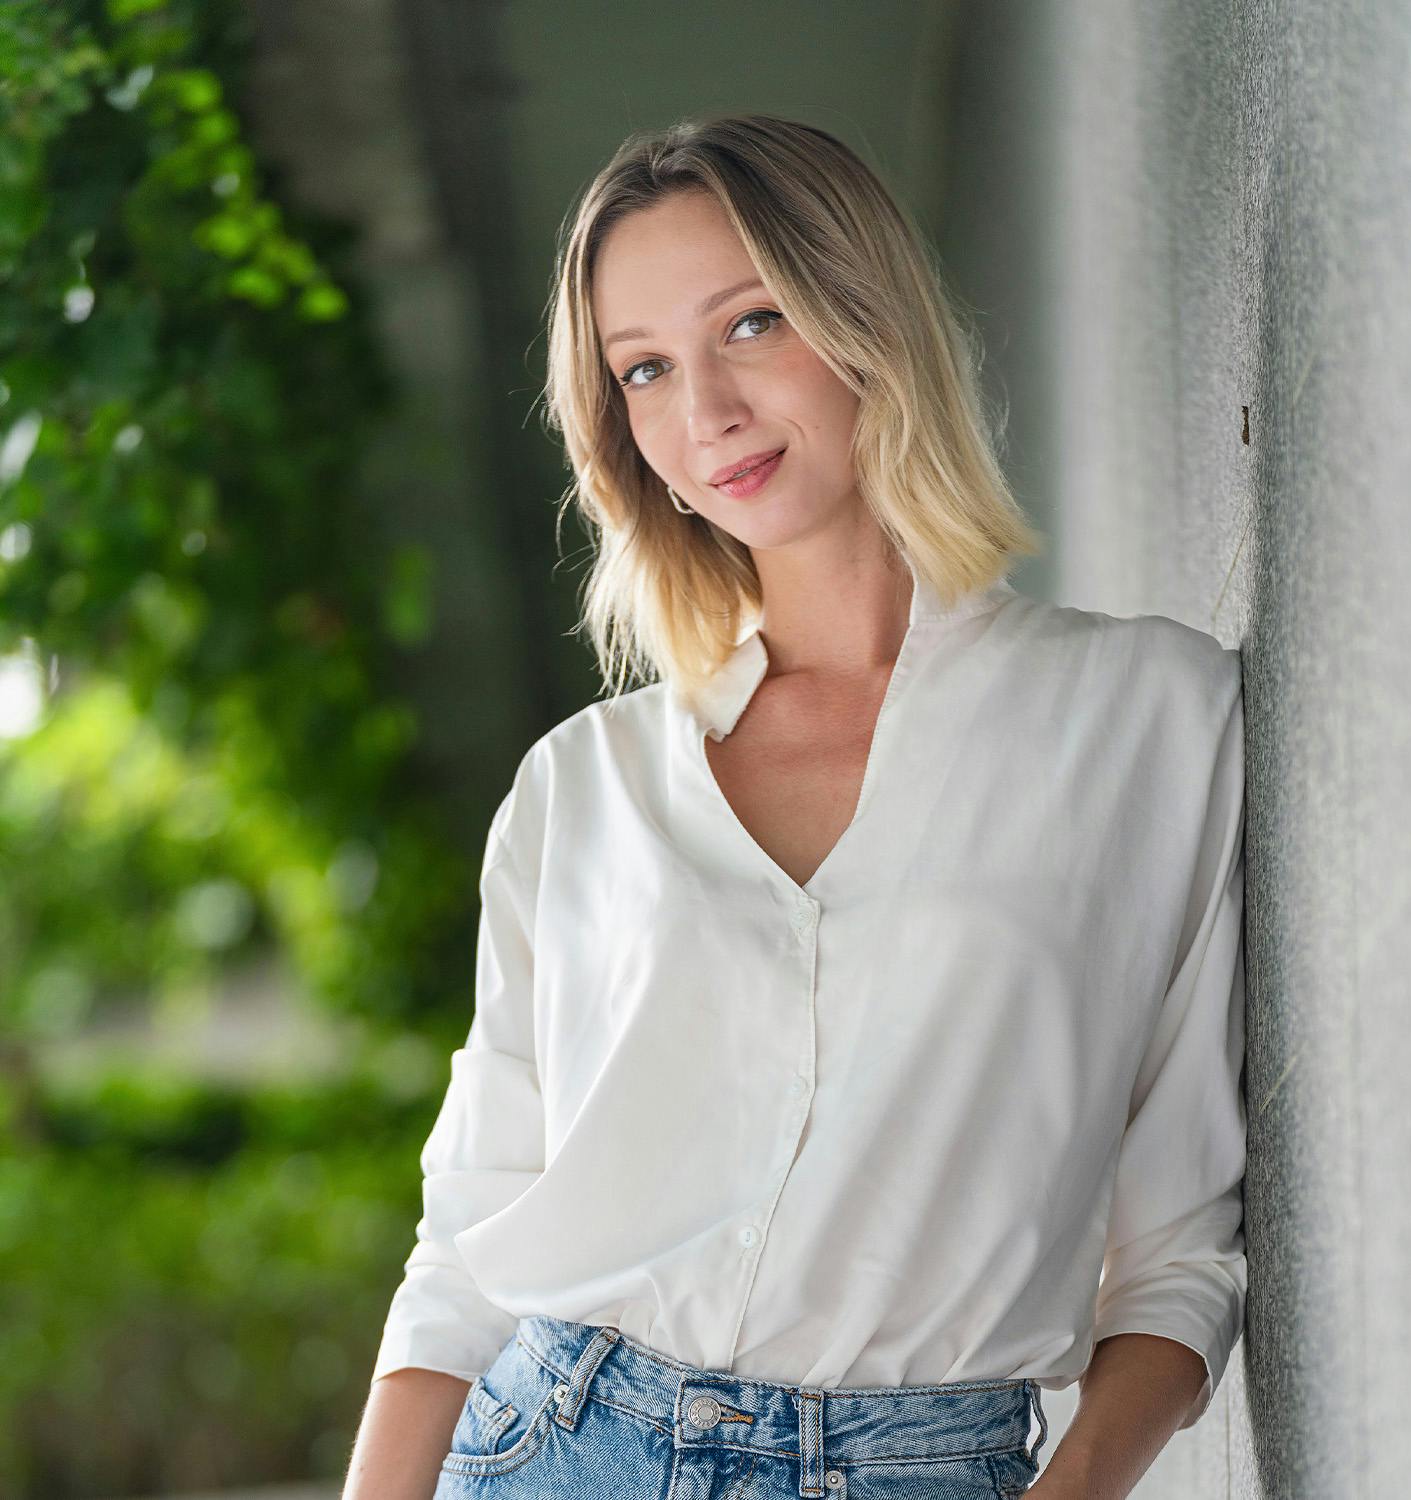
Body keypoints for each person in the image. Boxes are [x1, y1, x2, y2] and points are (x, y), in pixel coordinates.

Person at [342, 113, 1247, 1500]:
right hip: (555, 1445)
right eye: (643, 369)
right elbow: (464, 1243)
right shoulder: (582, 790)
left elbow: (1182, 1255)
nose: (701, 414)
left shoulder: (1149, 723)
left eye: (751, 323)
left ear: (864, 313)